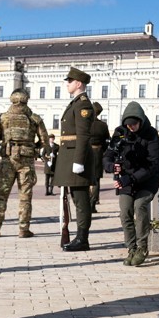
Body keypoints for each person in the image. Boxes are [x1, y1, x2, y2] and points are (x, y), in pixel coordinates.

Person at [104, 102, 159, 267]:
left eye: (134, 124)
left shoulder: (150, 134)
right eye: (128, 125)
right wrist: (111, 166)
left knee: (140, 206)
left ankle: (142, 248)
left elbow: (153, 164)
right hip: (126, 179)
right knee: (125, 212)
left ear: (141, 121)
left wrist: (130, 178)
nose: (131, 128)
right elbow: (108, 155)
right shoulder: (120, 132)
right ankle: (131, 247)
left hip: (147, 179)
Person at [0, 89, 49, 238]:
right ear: (26, 99)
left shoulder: (3, 117)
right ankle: (23, 229)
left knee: (2, 195)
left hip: (8, 160)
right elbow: (45, 141)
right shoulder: (35, 118)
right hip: (26, 161)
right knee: (25, 196)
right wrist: (34, 147)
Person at [55, 67, 97, 252]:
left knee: (81, 200)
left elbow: (83, 135)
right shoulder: (75, 103)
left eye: (70, 81)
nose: (67, 84)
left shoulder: (83, 105)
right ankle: (79, 237)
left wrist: (79, 161)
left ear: (78, 83)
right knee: (75, 198)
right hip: (69, 157)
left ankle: (82, 238)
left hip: (76, 158)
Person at [88, 102, 110, 212]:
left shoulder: (86, 123)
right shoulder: (103, 125)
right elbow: (107, 140)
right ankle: (93, 204)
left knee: (86, 178)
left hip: (86, 152)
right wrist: (103, 151)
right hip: (98, 153)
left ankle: (86, 203)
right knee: (96, 179)